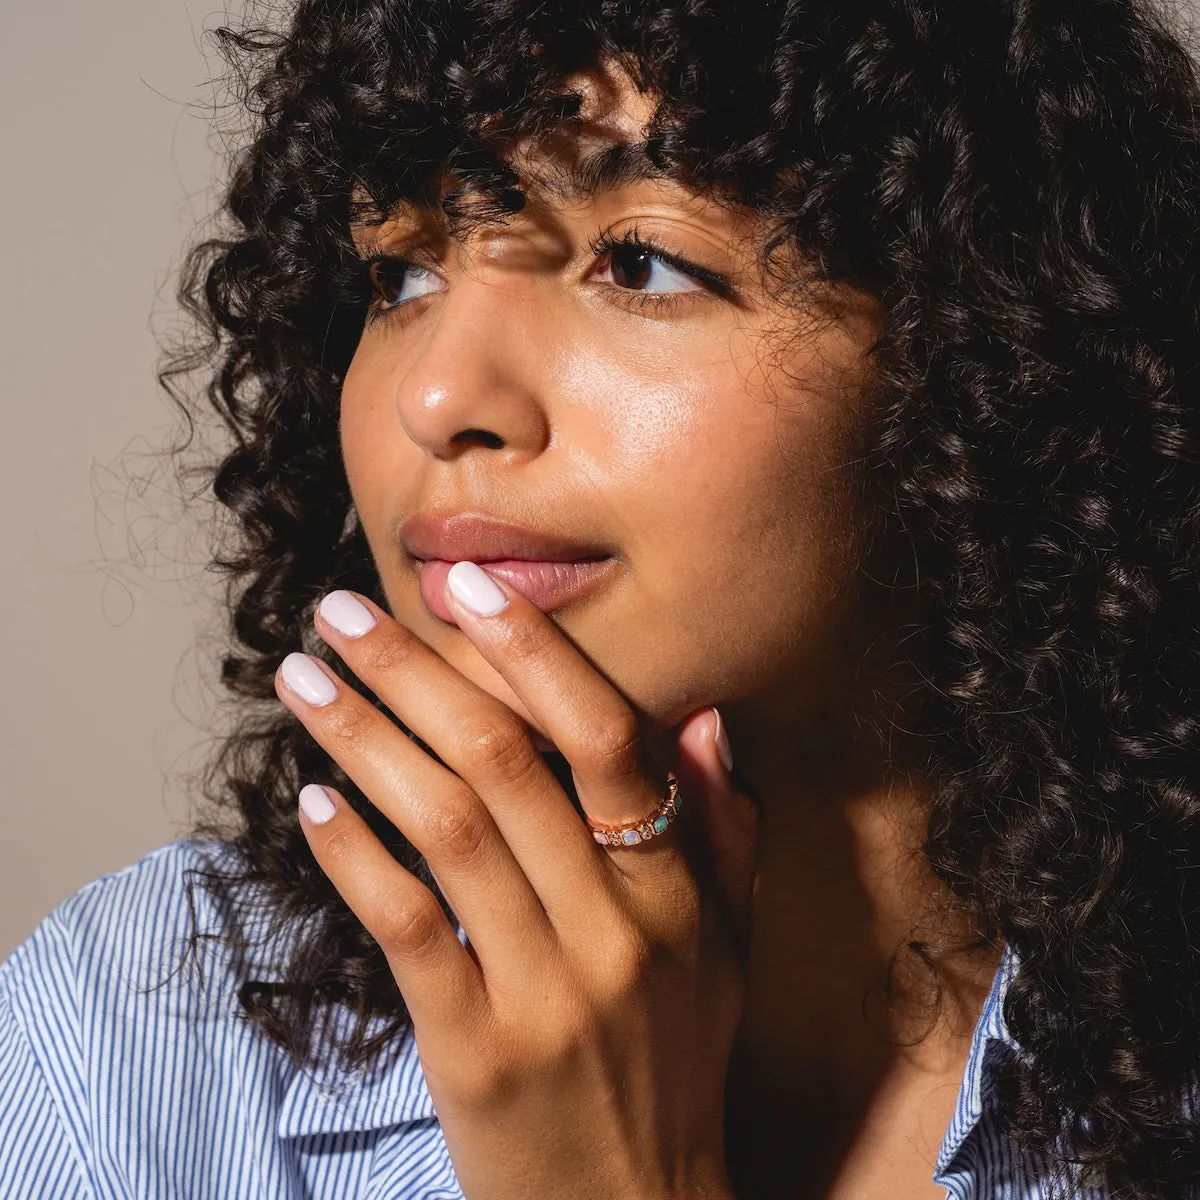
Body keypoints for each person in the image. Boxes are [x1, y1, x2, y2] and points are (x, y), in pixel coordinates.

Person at [4, 0, 1200, 1196]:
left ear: (999, 346)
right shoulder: (137, 1034)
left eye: (641, 261)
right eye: (402, 272)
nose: (438, 396)